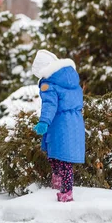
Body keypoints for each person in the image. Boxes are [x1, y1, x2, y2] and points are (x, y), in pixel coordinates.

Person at [31, 49, 85, 202]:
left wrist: (44, 121)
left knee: (60, 157)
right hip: (75, 121)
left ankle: (66, 192)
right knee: (60, 155)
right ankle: (58, 181)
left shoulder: (49, 84)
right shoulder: (71, 82)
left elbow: (50, 105)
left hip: (60, 122)